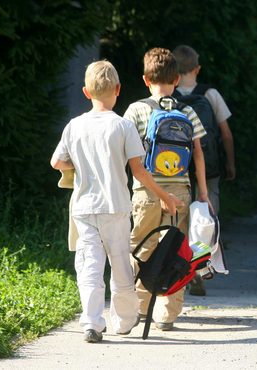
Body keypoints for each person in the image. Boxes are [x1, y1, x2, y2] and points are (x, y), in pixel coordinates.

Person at [51, 60, 184, 343]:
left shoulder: (74, 126)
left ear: (86, 92)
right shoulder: (123, 125)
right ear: (118, 89)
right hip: (116, 207)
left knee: (89, 266)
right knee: (121, 264)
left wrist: (78, 166)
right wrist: (165, 196)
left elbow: (56, 161)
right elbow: (139, 171)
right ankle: (124, 323)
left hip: (85, 208)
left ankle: (92, 323)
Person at [124, 48, 212, 331]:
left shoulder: (136, 110)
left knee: (141, 248)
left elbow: (125, 152)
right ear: (176, 79)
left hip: (146, 192)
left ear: (145, 79)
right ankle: (166, 315)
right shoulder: (187, 110)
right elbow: (198, 153)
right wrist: (203, 193)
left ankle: (136, 308)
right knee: (176, 251)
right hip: (181, 192)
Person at [173, 45, 235, 296]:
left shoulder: (169, 96)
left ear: (173, 72)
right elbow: (226, 133)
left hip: (176, 170)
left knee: (182, 219)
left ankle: (182, 268)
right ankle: (200, 268)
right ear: (197, 69)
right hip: (208, 167)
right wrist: (229, 163)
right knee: (206, 219)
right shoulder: (210, 94)